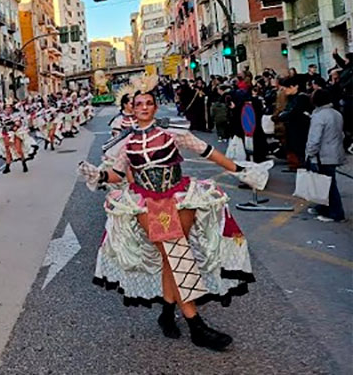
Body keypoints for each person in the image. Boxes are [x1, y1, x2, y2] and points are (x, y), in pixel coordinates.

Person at [79, 88, 265, 352]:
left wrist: (239, 170)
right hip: (146, 203)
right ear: (131, 108)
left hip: (180, 197)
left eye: (149, 103)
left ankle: (167, 313)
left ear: (155, 107)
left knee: (172, 257)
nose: (144, 107)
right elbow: (118, 174)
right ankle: (195, 325)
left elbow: (207, 151)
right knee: (175, 254)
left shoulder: (172, 132)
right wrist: (97, 176)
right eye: (139, 103)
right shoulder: (126, 143)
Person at [305, 89, 346, 222]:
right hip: (335, 152)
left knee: (328, 185)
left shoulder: (318, 116)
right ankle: (323, 208)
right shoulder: (337, 114)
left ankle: (336, 213)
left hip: (323, 155)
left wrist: (309, 154)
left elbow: (314, 139)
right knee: (327, 183)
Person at [275, 77, 313, 171]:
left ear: (293, 87)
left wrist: (284, 115)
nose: (284, 91)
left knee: (300, 150)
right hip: (292, 129)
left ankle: (302, 167)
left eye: (286, 88)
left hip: (300, 130)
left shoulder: (301, 98)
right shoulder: (292, 98)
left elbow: (293, 112)